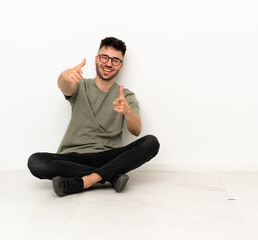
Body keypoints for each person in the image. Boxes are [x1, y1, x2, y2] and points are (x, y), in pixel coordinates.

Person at [27, 37, 160, 197]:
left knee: (151, 142)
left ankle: (86, 181)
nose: (109, 64)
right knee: (35, 161)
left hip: (109, 157)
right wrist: (64, 76)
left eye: (115, 60)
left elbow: (136, 130)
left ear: (121, 65)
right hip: (73, 157)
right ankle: (110, 176)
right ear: (97, 59)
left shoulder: (126, 95)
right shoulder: (81, 86)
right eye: (105, 57)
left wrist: (127, 111)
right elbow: (65, 86)